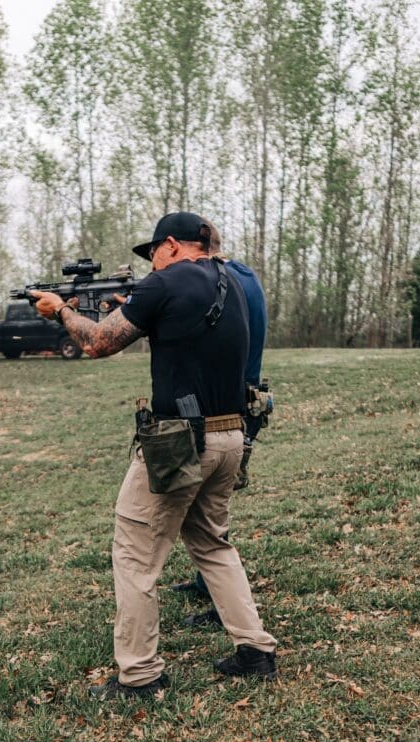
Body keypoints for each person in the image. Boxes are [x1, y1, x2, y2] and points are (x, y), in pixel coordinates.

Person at [32, 211, 277, 699]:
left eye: (153, 256)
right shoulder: (232, 281)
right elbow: (187, 335)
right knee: (212, 543)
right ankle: (255, 651)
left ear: (170, 245)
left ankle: (140, 675)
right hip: (230, 436)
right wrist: (137, 306)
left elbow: (98, 343)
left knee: (135, 555)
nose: (152, 266)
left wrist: (60, 311)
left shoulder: (164, 284)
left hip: (180, 442)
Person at [173, 223, 269, 624]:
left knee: (213, 506)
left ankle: (221, 599)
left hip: (229, 405)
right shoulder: (243, 273)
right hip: (247, 399)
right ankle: (205, 580)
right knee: (210, 503)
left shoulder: (222, 282)